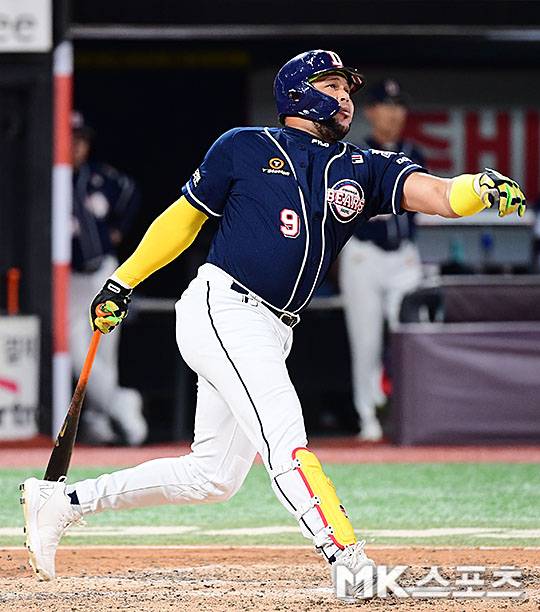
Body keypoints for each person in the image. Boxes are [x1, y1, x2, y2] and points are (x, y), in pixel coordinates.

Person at [21, 51, 525, 600]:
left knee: (213, 476)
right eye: (332, 86)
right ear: (298, 93)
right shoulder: (244, 146)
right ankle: (349, 561)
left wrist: (480, 186)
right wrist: (123, 281)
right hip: (224, 308)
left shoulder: (363, 166)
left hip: (274, 327)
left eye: (347, 88)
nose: (345, 97)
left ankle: (61, 503)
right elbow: (183, 220)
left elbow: (440, 195)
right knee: (285, 437)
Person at [339, 79, 425, 441]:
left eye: (399, 106)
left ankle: (414, 411)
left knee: (414, 334)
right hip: (364, 255)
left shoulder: (414, 153)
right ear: (371, 111)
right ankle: (368, 416)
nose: (394, 113)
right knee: (366, 341)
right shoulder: (354, 154)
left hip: (403, 255)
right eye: (386, 106)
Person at [70, 112, 147, 446]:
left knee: (104, 348)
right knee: (75, 350)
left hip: (103, 270)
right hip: (67, 279)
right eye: (70, 140)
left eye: (80, 141)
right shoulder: (49, 180)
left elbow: (131, 193)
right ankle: (120, 402)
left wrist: (117, 230)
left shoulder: (101, 177)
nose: (76, 147)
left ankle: (98, 419)